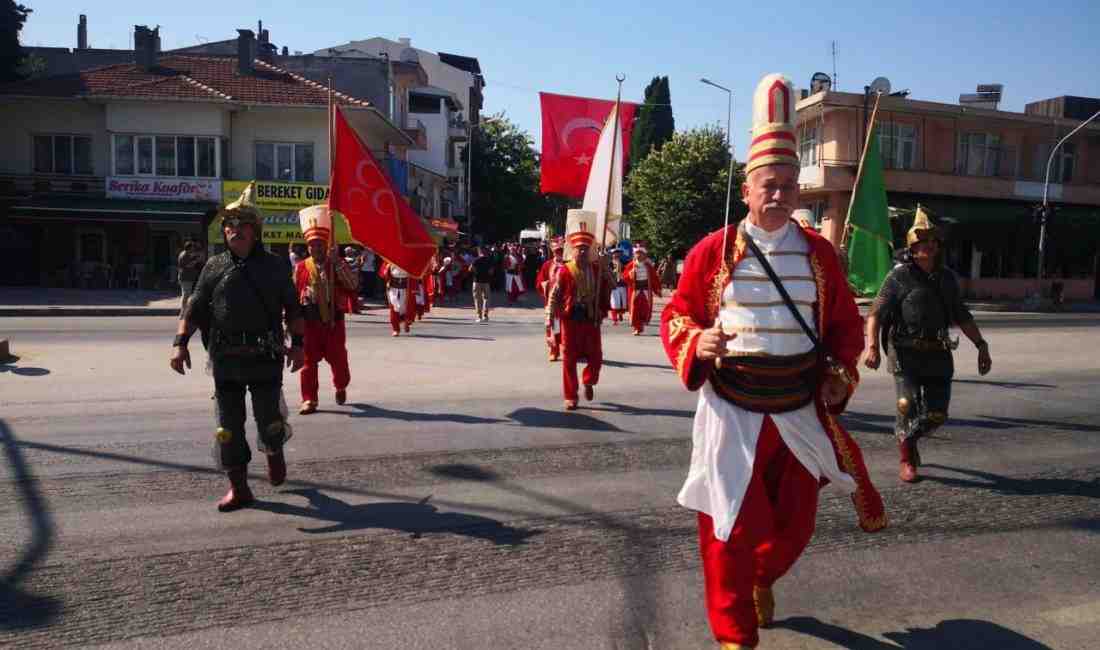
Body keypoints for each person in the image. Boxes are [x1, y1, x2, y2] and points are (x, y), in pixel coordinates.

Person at [659, 74, 886, 649]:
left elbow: (843, 330)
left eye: (789, 185)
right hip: (731, 411)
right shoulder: (712, 251)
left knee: (795, 528)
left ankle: (764, 577)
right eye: (769, 185)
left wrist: (840, 375)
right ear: (747, 188)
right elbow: (678, 315)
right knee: (727, 528)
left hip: (797, 411)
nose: (780, 195)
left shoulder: (819, 254)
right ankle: (734, 636)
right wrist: (696, 342)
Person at [170, 182, 305, 512]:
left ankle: (274, 451)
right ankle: (239, 488)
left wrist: (299, 345)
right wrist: (180, 344)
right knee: (227, 429)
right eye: (229, 224)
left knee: (269, 421)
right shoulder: (213, 266)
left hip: (265, 356)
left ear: (255, 231)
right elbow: (193, 308)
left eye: (242, 224)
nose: (234, 230)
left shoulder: (275, 265)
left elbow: (293, 309)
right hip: (225, 359)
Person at [864, 206, 992, 483]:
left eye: (932, 242)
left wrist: (981, 345)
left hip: (938, 352)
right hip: (904, 353)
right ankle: (907, 459)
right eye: (921, 242)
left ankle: (909, 440)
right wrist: (872, 346)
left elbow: (961, 315)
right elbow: (875, 313)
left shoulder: (947, 278)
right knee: (906, 405)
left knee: (937, 414)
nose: (928, 246)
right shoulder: (898, 276)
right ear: (912, 247)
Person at [295, 207, 359, 415]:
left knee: (339, 361)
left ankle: (340, 386)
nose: (316, 248)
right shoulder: (301, 267)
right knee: (308, 363)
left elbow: (352, 284)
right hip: (309, 323)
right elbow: (293, 295)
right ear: (308, 247)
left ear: (326, 245)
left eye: (320, 244)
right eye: (312, 245)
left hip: (333, 323)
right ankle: (309, 399)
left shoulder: (336, 263)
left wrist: (338, 262)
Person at [547, 211, 613, 410]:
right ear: (572, 250)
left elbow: (613, 284)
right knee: (568, 359)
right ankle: (571, 396)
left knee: (596, 356)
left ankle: (589, 380)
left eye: (585, 248)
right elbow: (554, 295)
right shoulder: (564, 270)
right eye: (579, 249)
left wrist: (606, 268)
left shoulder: (597, 269)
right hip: (570, 318)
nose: (582, 252)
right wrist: (550, 318)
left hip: (591, 317)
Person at [535, 237, 567, 359]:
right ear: (553, 252)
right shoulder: (547, 265)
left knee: (567, 328)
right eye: (557, 251)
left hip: (566, 302)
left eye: (561, 251)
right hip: (552, 302)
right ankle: (554, 350)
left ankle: (568, 350)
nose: (559, 253)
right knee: (554, 326)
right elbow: (539, 282)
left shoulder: (569, 264)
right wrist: (547, 285)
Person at [622, 242, 663, 336]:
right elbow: (624, 277)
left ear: (644, 255)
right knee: (635, 309)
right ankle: (637, 328)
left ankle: (641, 324)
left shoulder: (648, 266)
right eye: (637, 253)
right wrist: (630, 274)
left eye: (641, 253)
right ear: (634, 254)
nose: (639, 255)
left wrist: (657, 289)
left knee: (644, 309)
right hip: (635, 291)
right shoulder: (631, 265)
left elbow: (654, 279)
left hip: (645, 291)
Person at [380, 260, 417, 336]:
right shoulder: (389, 260)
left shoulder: (409, 260)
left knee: (404, 307)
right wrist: (388, 267)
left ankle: (406, 321)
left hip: (405, 287)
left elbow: (415, 273)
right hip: (393, 287)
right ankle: (396, 329)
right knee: (394, 307)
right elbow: (383, 272)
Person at [177, 239, 205, 316]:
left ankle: (184, 311)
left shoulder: (187, 254)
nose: (193, 249)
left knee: (187, 294)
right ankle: (183, 312)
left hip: (187, 277)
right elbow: (188, 265)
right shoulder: (184, 255)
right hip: (186, 277)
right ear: (189, 248)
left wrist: (197, 257)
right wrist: (195, 261)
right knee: (186, 295)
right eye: (192, 247)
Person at [470, 246, 495, 322]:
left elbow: (470, 269)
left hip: (477, 281)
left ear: (479, 252)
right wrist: (486, 274)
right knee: (486, 298)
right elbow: (491, 271)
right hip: (486, 282)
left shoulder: (476, 260)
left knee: (477, 299)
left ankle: (479, 316)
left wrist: (477, 273)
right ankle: (486, 315)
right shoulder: (489, 260)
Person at [343, 246, 363, 314]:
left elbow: (358, 266)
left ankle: (354, 308)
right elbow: (350, 267)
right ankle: (350, 308)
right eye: (350, 251)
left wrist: (359, 262)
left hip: (355, 277)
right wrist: (357, 263)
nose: (352, 252)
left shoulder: (354, 258)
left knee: (354, 294)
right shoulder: (345, 259)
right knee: (351, 294)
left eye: (352, 251)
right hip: (350, 277)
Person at [609, 256, 628, 325]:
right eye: (615, 264)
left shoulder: (624, 269)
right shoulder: (610, 268)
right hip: (614, 287)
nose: (618, 265)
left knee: (622, 303)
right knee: (614, 303)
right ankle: (615, 319)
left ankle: (620, 314)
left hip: (622, 286)